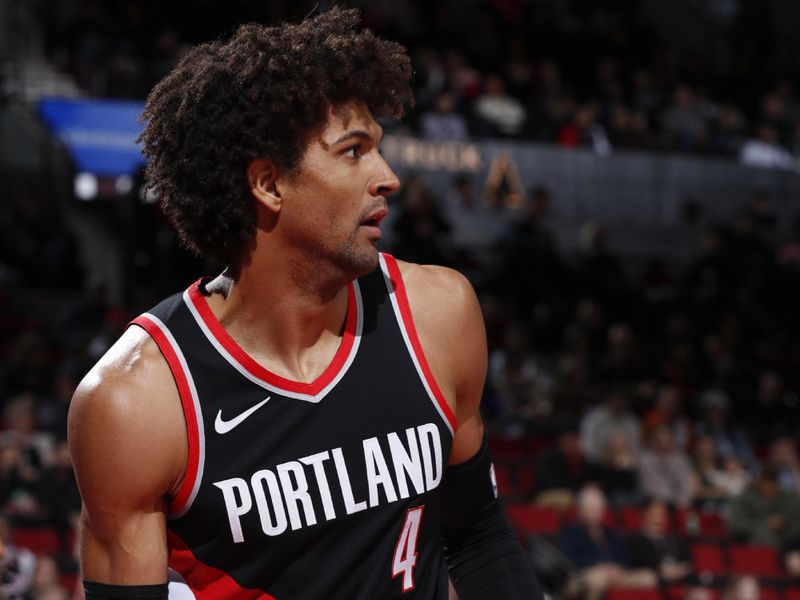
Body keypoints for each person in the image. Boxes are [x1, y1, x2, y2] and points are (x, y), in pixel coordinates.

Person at [67, 8, 541, 600]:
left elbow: (478, 539)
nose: (389, 176)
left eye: (379, 149)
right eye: (353, 151)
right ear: (268, 184)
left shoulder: (438, 311)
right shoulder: (136, 400)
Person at [558, 485, 656, 600]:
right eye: (590, 509)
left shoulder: (610, 534)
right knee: (597, 580)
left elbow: (625, 557)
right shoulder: (572, 532)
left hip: (613, 575)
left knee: (649, 577)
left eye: (597, 509)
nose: (594, 513)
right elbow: (568, 559)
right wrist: (599, 566)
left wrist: (617, 568)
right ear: (580, 511)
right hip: (583, 575)